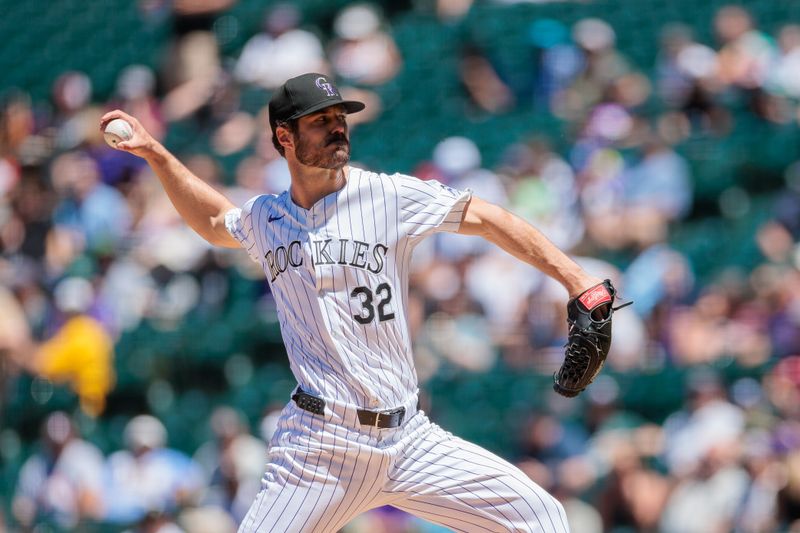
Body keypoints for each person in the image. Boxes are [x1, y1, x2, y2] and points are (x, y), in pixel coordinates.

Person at [101, 72, 604, 532]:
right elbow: (214, 222)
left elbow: (490, 219)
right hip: (319, 448)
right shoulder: (268, 218)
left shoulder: (389, 196)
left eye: (340, 118)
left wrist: (578, 279)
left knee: (541, 518)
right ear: (285, 137)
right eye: (320, 121)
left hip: (409, 439)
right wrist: (155, 154)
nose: (337, 128)